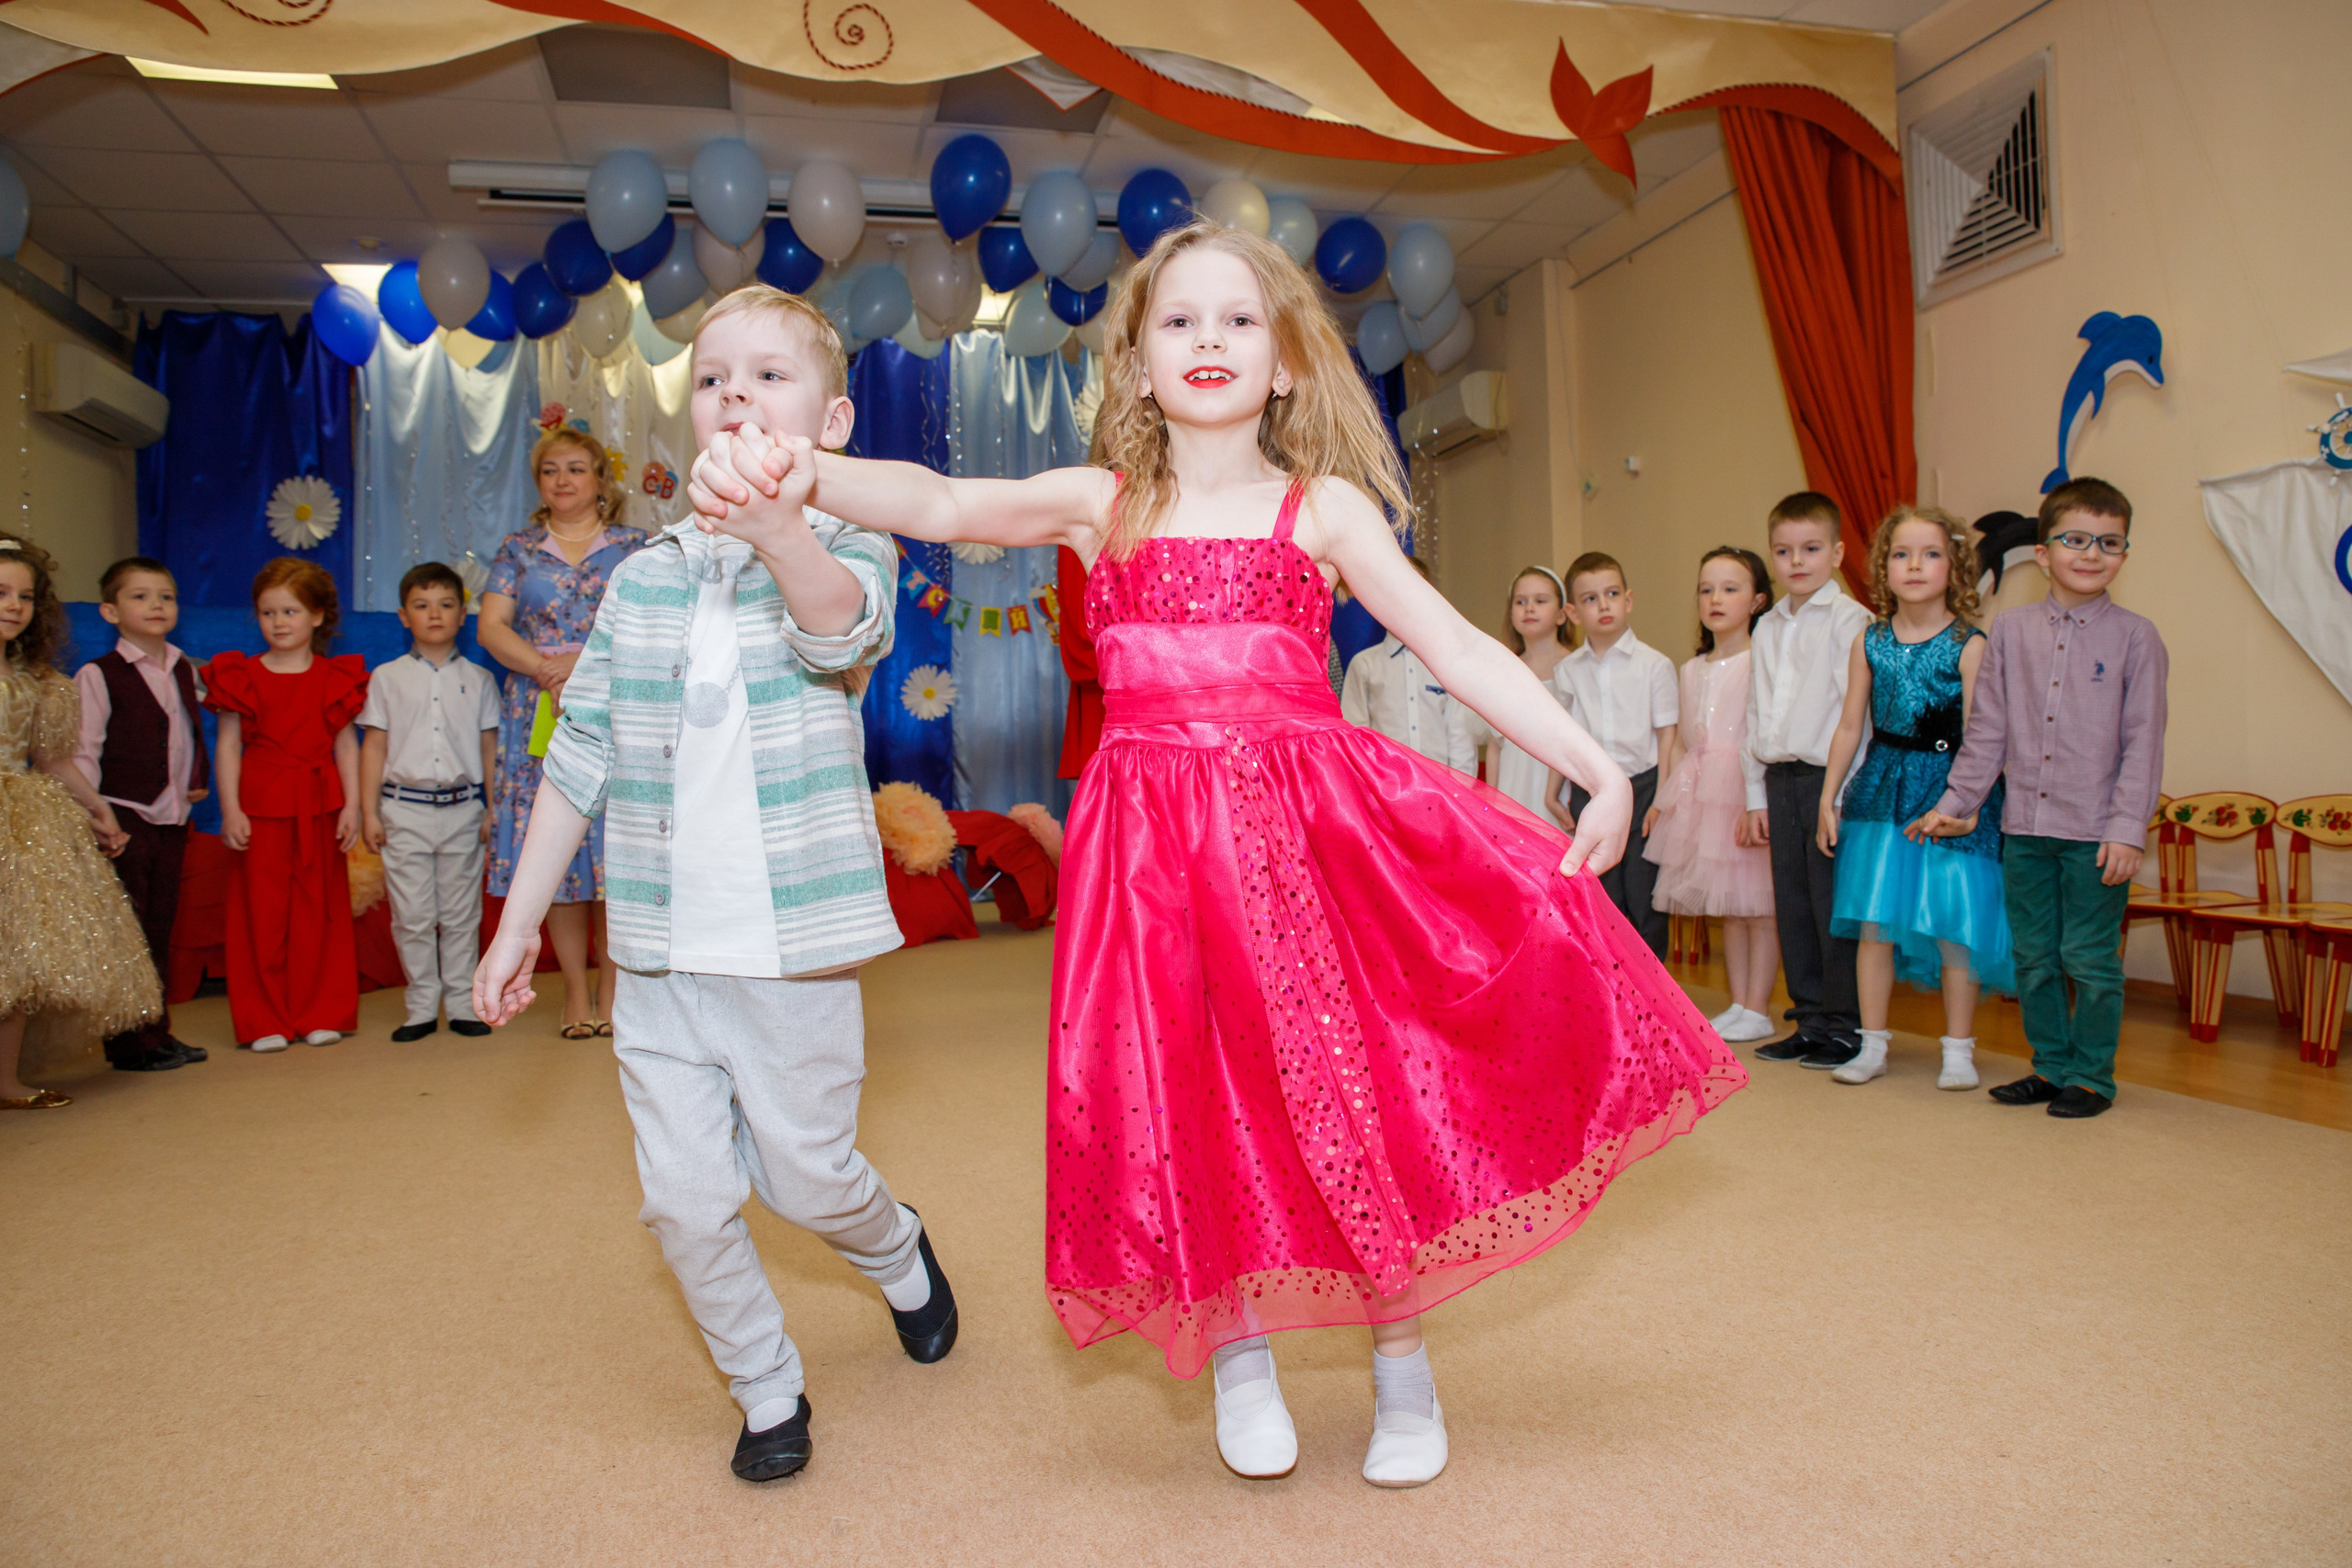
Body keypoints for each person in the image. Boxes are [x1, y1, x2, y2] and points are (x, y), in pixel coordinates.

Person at [689, 223, 1743, 1489]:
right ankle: (1238, 1354)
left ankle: (1402, 1360)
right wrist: (801, 468)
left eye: (1239, 320)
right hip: (1154, 861)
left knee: (1346, 1086)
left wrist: (1596, 764)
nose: (1207, 340)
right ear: (1136, 365)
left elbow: (1458, 646)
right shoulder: (1103, 503)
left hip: (1307, 844)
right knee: (1190, 1092)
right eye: (1177, 321)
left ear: (1285, 360)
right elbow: (943, 503)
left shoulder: (1324, 509)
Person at [474, 287, 959, 1486]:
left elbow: (838, 632)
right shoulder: (643, 577)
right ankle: (764, 1384)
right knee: (685, 1203)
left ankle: (894, 1246)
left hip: (791, 950)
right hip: (657, 950)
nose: (734, 392)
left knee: (808, 1178)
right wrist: (521, 921)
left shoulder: (846, 540)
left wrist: (780, 525)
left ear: (830, 420)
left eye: (768, 376)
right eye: (710, 379)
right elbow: (580, 751)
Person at [1909, 479, 2165, 1120]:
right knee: (2033, 955)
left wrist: (2127, 829)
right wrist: (1957, 801)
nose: (2092, 553)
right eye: (2076, 539)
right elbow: (1988, 729)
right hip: (2024, 825)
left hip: (2096, 834)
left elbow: (2143, 742)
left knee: (2089, 957)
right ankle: (2050, 1065)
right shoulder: (2011, 630)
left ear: (2124, 554)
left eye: (2109, 542)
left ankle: (2092, 1077)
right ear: (2045, 554)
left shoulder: (2137, 637)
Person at [1815, 510, 2012, 1089]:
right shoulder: (1870, 642)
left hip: (1951, 793)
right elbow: (1850, 726)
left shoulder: (1969, 645)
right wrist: (1829, 796)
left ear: (1953, 567)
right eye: (1901, 554)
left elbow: (1983, 735)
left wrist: (1964, 802)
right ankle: (1872, 1044)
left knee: (1953, 922)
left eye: (1930, 554)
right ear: (1884, 568)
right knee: (1874, 922)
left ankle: (1959, 1050)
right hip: (1880, 790)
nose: (1915, 566)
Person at [477, 427, 648, 1040]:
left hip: (615, 701)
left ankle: (615, 990)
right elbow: (491, 627)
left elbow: (651, 621)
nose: (563, 480)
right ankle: (576, 990)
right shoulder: (518, 548)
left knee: (615, 851)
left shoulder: (635, 546)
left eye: (576, 467)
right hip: (538, 708)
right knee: (560, 858)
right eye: (550, 470)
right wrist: (546, 667)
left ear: (600, 478)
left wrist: (583, 664)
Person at [0, 536, 162, 1110]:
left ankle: (5, 1079)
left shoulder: (38, 681)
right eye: (1, 592)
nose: (13, 605)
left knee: (20, 957)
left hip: (22, 823)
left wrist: (97, 806)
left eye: (25, 596)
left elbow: (52, 759)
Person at [202, 558, 368, 1054]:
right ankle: (263, 1019)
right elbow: (228, 746)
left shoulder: (334, 676)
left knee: (320, 912)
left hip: (320, 805)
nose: (278, 622)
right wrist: (231, 809)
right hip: (261, 806)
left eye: (290, 611)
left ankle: (320, 1012)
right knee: (261, 914)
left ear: (316, 616)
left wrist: (353, 806)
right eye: (267, 612)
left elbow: (346, 746)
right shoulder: (240, 675)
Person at [1742, 492, 1872, 1069]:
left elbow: (1858, 717)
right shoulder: (1767, 626)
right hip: (1780, 777)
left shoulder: (1853, 622)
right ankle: (1809, 1019)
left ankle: (1845, 1026)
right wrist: (1754, 793)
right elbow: (1755, 711)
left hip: (1828, 780)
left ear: (1838, 553)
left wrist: (1840, 794)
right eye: (1784, 551)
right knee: (1792, 904)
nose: (1797, 561)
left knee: (1831, 905)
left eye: (1811, 549)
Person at [73, 556, 208, 1072]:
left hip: (172, 817)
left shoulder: (183, 668)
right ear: (110, 611)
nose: (157, 605)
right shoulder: (98, 675)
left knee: (158, 926)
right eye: (140, 596)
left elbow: (188, 732)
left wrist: (195, 776)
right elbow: (85, 751)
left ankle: (156, 1031)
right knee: (125, 933)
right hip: (125, 818)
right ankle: (129, 1043)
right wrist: (95, 814)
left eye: (166, 596)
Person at [359, 562, 501, 1043]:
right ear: (404, 616)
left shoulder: (480, 679)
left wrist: (492, 807)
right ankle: (420, 1006)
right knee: (413, 915)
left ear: (463, 615)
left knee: (461, 914)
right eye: (421, 606)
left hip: (463, 810)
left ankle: (461, 1003)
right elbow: (374, 746)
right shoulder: (386, 677)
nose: (434, 615)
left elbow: (489, 748)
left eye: (445, 605)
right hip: (404, 809)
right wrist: (369, 811)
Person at [1645, 547, 1779, 1043]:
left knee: (1759, 907)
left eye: (1730, 589)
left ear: (1757, 600)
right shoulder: (1691, 669)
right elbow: (1684, 743)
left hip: (1743, 791)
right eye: (1706, 590)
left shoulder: (1760, 659)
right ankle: (1740, 1002)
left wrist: (1754, 801)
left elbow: (1760, 733)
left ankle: (1759, 1005)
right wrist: (1668, 801)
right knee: (1731, 907)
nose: (1715, 599)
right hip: (1703, 792)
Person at [1548, 551, 1676, 956]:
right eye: (1590, 598)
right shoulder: (1568, 671)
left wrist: (1661, 801)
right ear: (1572, 612)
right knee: (1601, 895)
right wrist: (1553, 792)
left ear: (1628, 600)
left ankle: (1652, 986)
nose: (1603, 605)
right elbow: (1563, 734)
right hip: (1589, 790)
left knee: (1644, 897)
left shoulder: (1655, 665)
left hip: (1644, 788)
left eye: (1612, 594)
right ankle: (1612, 982)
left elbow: (1667, 738)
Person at [1340, 554, 1477, 772]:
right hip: (1387, 783)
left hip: (1439, 783)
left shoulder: (1445, 664)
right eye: (1394, 593)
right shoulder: (1365, 664)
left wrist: (1462, 787)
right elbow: (1354, 735)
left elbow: (1459, 734)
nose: (1404, 602)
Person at [1469, 565, 1576, 816]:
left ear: (1562, 615)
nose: (1529, 608)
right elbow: (1496, 744)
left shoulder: (1574, 668)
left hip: (1558, 787)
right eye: (1520, 602)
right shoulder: (1504, 669)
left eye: (1540, 601)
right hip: (1514, 782)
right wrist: (1493, 800)